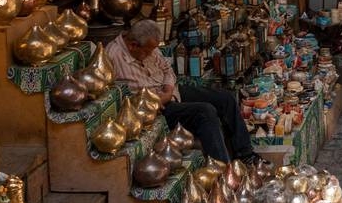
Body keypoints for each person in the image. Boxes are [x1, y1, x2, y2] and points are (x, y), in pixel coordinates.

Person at [106, 20, 255, 163]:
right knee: (205, 112)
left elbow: (167, 70)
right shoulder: (113, 56)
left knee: (225, 98)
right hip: (158, 108)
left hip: (171, 92)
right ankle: (223, 171)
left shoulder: (148, 44)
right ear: (133, 46)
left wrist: (169, 90)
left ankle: (246, 154)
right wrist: (157, 101)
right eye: (147, 51)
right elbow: (118, 96)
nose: (152, 53)